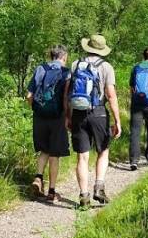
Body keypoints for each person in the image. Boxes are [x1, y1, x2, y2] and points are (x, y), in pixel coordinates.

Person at [65, 34, 121, 209]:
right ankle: (99, 187)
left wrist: (68, 115)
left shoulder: (75, 65)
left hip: (78, 113)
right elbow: (111, 95)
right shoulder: (106, 67)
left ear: (87, 47)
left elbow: (67, 93)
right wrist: (117, 120)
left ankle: (83, 196)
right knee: (103, 150)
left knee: (82, 156)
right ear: (101, 50)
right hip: (98, 112)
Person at [26, 45, 71, 202]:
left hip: (40, 115)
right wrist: (68, 117)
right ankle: (51, 192)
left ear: (51, 56)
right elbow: (66, 98)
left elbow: (29, 95)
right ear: (64, 56)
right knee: (55, 154)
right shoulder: (66, 72)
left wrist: (36, 109)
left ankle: (38, 178)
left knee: (44, 150)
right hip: (57, 117)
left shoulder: (41, 68)